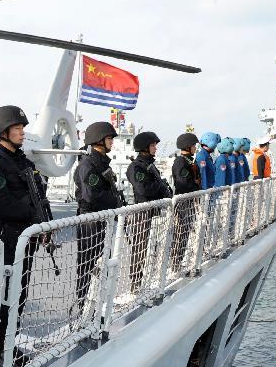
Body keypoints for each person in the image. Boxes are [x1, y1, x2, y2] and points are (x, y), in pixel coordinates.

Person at [0, 105, 49, 367]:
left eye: (22, 128)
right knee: (4, 297)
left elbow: (41, 198)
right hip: (6, 240)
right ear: (3, 132)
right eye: (17, 129)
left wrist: (45, 224)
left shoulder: (26, 164)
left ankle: (9, 344)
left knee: (18, 297)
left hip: (26, 240)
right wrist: (32, 213)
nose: (22, 133)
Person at [73, 121, 124, 306]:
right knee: (87, 266)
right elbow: (92, 195)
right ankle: (81, 306)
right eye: (109, 138)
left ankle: (97, 304)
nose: (112, 142)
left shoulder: (100, 163)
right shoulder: (88, 164)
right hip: (90, 221)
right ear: (98, 140)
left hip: (102, 220)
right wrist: (115, 202)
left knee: (103, 264)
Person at [126, 131, 172, 292]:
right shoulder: (136, 167)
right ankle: (136, 284)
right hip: (142, 212)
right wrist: (159, 186)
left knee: (153, 246)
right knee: (140, 248)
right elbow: (142, 189)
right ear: (144, 147)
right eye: (153, 145)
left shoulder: (150, 166)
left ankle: (149, 279)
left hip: (154, 211)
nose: (155, 148)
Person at [170, 133, 202, 271]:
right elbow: (183, 183)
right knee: (181, 231)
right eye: (194, 145)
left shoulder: (189, 161)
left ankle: (179, 260)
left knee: (186, 231)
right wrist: (195, 184)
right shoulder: (181, 162)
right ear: (187, 146)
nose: (195, 147)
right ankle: (175, 262)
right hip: (183, 201)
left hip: (189, 201)